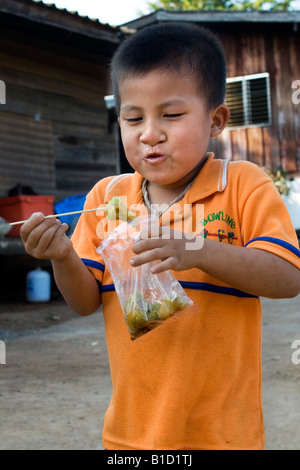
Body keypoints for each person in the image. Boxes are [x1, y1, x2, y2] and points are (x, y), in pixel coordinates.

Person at [20, 23, 300, 450]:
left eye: (171, 115)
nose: (149, 133)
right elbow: (83, 302)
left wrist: (197, 249)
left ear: (216, 120)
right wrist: (61, 257)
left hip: (224, 435)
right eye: (133, 118)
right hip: (131, 435)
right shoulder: (108, 197)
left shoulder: (242, 184)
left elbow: (286, 277)